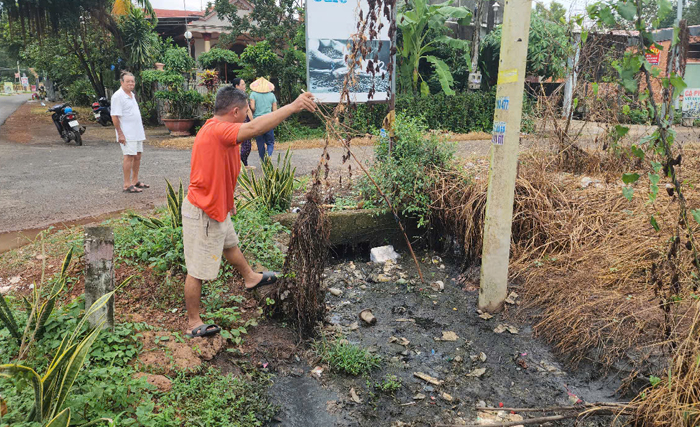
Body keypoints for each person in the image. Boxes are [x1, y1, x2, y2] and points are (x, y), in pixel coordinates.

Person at [182, 86, 316, 338]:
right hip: (202, 210)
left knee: (230, 244)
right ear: (235, 112)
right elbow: (257, 129)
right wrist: (294, 106)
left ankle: (251, 277)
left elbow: (222, 168)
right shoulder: (218, 130)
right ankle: (192, 322)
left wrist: (229, 197)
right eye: (246, 111)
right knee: (197, 269)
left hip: (217, 205)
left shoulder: (223, 133)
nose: (248, 116)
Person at [111, 71, 149, 193]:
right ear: (122, 82)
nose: (131, 83)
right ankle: (127, 184)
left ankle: (135, 181)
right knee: (128, 157)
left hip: (137, 132)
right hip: (127, 134)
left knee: (138, 156)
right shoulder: (118, 96)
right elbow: (115, 116)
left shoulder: (131, 95)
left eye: (132, 81)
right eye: (128, 81)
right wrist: (120, 134)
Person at [249, 77, 278, 161]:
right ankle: (269, 156)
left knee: (260, 142)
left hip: (257, 121)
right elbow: (275, 110)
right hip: (269, 121)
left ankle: (263, 160)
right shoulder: (272, 95)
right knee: (270, 142)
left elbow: (253, 107)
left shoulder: (253, 94)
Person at [232, 77, 255, 170]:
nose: (244, 86)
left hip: (241, 120)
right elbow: (247, 109)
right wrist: (253, 121)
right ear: (236, 86)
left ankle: (243, 164)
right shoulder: (237, 96)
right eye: (242, 84)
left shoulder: (238, 95)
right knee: (245, 144)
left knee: (245, 144)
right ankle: (241, 164)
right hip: (241, 121)